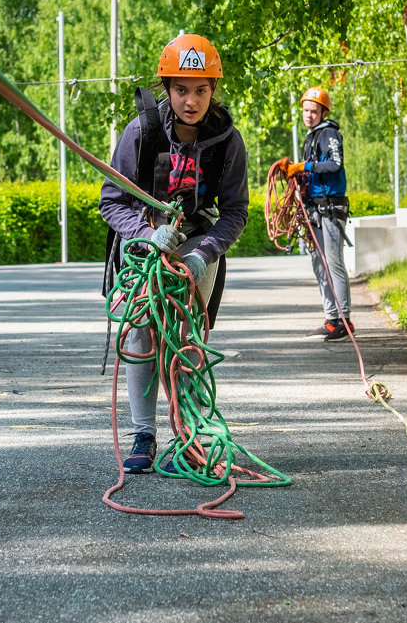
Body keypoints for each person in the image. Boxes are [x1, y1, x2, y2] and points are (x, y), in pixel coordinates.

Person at [98, 33, 249, 474]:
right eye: (182, 90)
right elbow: (112, 200)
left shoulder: (226, 141)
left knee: (188, 339)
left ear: (212, 92)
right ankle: (144, 435)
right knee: (143, 332)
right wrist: (146, 234)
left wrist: (204, 254)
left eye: (201, 90)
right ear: (166, 89)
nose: (191, 101)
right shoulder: (141, 132)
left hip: (198, 245)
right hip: (146, 246)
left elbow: (235, 212)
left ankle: (189, 432)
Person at [284, 86, 353, 342]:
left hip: (331, 207)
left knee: (333, 262)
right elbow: (313, 170)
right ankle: (331, 317)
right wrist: (295, 170)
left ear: (324, 112)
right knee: (319, 263)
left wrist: (305, 165)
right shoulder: (312, 136)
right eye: (305, 110)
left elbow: (335, 165)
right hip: (314, 207)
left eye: (313, 111)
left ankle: (344, 320)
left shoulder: (329, 134)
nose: (309, 115)